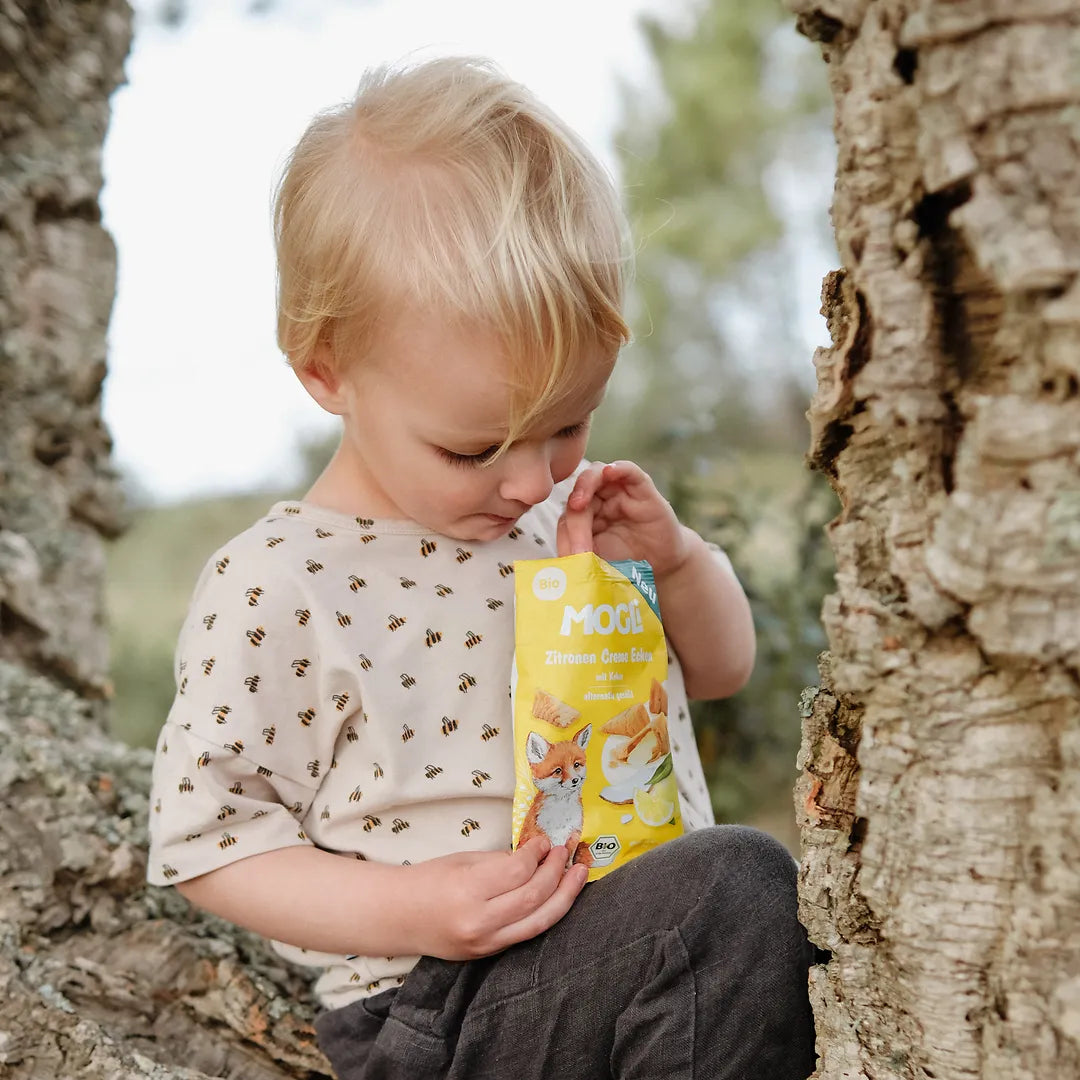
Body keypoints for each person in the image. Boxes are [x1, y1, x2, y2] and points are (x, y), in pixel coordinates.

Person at [146, 56, 817, 1079]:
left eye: (567, 425)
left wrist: (677, 566)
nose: (527, 481)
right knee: (733, 895)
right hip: (442, 998)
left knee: (729, 908)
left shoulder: (577, 520)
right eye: (472, 448)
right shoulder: (282, 579)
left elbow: (722, 670)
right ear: (326, 369)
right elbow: (209, 840)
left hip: (629, 951)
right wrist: (414, 908)